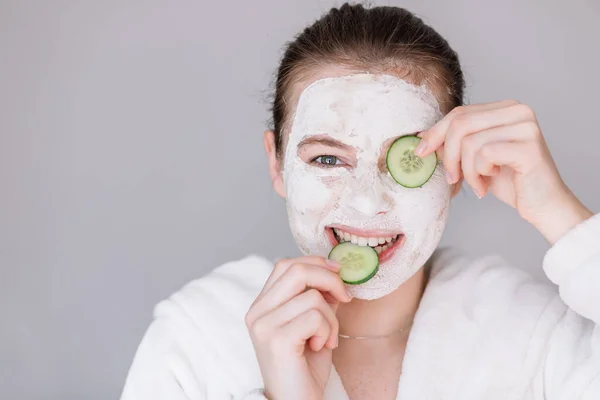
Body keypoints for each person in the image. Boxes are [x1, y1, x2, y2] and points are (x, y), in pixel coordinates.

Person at [120, 3, 599, 399]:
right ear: (277, 163)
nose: (368, 204)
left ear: (453, 168)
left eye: (407, 157)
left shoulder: (531, 331)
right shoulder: (196, 338)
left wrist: (558, 211)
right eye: (328, 159)